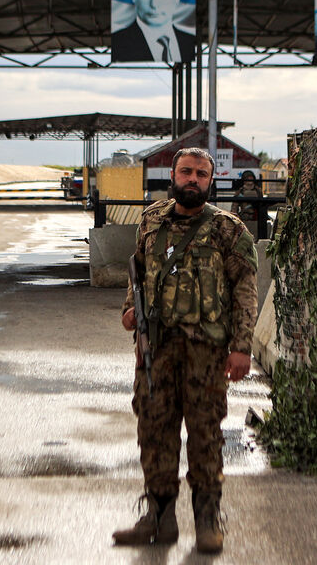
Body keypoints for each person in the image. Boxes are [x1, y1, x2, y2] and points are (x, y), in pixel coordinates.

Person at [114, 147, 257, 554]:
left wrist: (242, 348)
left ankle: (208, 519)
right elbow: (138, 276)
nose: (193, 179)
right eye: (186, 172)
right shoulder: (151, 221)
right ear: (173, 175)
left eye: (201, 174)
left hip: (206, 354)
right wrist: (129, 311)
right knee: (154, 432)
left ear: (211, 181)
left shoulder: (229, 230)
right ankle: (159, 519)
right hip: (157, 351)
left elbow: (245, 291)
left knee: (206, 435)